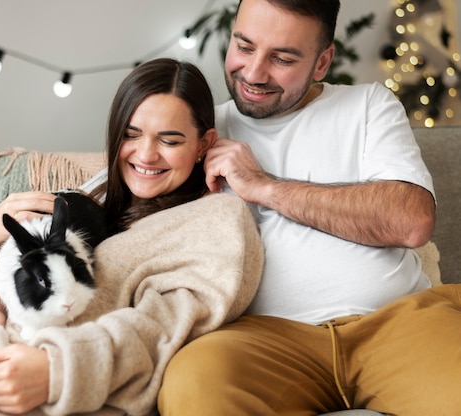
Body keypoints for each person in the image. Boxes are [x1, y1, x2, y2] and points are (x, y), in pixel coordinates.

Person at [0, 58, 264, 415]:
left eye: (169, 140)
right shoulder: (89, 201)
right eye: (131, 135)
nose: (146, 155)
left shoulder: (215, 220)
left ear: (205, 142)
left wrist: (55, 370)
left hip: (57, 376)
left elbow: (159, 331)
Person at [158, 1, 458, 415]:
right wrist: (51, 207)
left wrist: (264, 186)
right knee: (193, 383)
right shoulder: (201, 129)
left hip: (399, 324)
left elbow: (411, 220)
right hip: (260, 341)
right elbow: (128, 171)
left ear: (322, 62)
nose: (254, 73)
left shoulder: (369, 106)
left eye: (282, 58)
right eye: (244, 47)